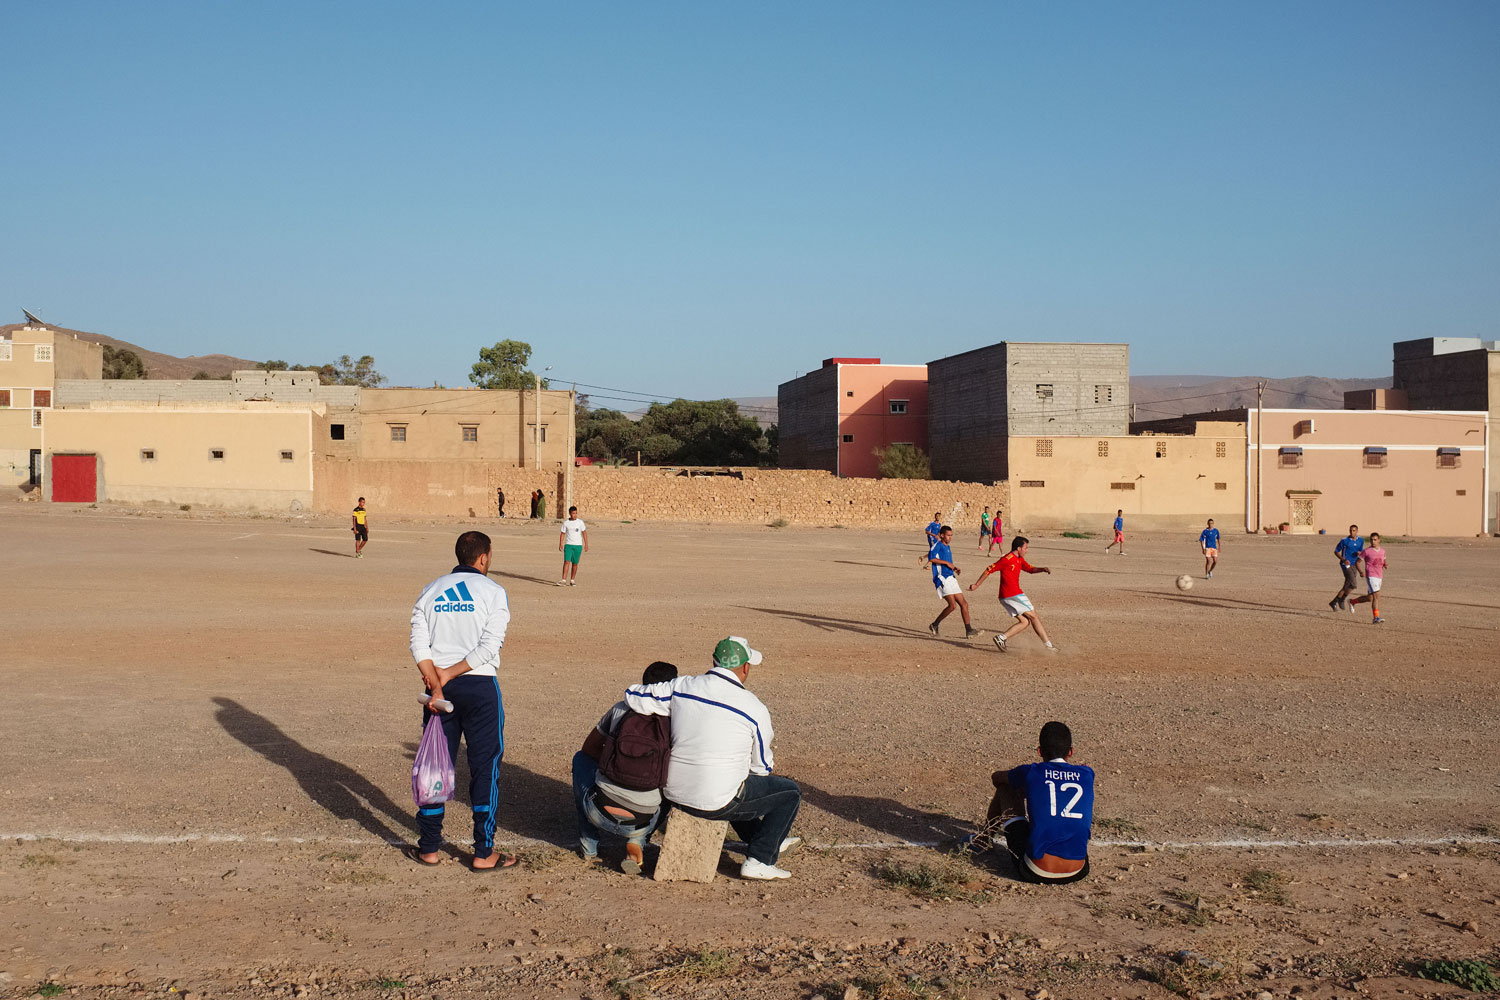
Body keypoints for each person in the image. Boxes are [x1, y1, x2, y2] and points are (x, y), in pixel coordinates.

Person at [623, 636, 803, 881]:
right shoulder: (754, 707)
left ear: (715, 662)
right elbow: (762, 766)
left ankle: (763, 837)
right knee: (788, 793)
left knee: (731, 784)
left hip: (674, 793)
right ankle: (760, 859)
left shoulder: (682, 686)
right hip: (716, 800)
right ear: (745, 668)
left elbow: (633, 694)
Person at [407, 531, 516, 870]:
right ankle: (484, 852)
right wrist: (449, 675)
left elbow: (418, 643)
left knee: (435, 765)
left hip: (439, 692)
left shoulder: (431, 589)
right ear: (484, 557)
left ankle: (429, 847)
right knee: (485, 768)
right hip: (480, 688)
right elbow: (488, 648)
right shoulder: (494, 592)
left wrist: (436, 681)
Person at [572, 661, 679, 874]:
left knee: (580, 760)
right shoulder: (677, 720)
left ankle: (589, 847)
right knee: (672, 780)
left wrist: (616, 765)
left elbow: (589, 749)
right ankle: (637, 842)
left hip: (598, 810)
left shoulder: (621, 709)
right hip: (644, 818)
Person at [962, 721, 1092, 884]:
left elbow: (997, 778)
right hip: (1078, 870)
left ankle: (984, 839)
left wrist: (1026, 789)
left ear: (1039, 751)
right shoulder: (1087, 774)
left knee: (1005, 788)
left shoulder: (1031, 772)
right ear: (1071, 752)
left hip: (1036, 870)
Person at [968, 535, 1055, 652]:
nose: (1027, 550)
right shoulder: (1006, 559)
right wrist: (976, 585)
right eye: (1026, 548)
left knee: (1025, 622)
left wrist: (1042, 569)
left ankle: (1001, 638)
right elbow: (989, 569)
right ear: (1019, 548)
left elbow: (1029, 569)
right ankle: (1049, 647)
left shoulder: (1019, 559)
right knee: (1034, 616)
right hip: (1012, 594)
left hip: (1008, 596)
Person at [928, 525, 979, 639]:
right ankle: (935, 624)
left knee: (964, 604)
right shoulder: (937, 545)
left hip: (951, 577)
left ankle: (969, 630)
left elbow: (948, 561)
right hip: (941, 578)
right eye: (948, 535)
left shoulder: (948, 547)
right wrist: (946, 564)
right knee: (952, 605)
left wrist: (954, 568)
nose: (950, 537)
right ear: (942, 535)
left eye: (951, 535)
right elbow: (931, 558)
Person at [1349, 532, 1387, 624]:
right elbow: (1357, 562)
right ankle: (1376, 618)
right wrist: (1361, 572)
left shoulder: (1382, 550)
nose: (1373, 541)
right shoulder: (1366, 551)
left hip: (1379, 576)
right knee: (1376, 596)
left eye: (1375, 540)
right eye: (1371, 540)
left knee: (1370, 598)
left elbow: (1383, 559)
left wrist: (1385, 564)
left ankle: (1352, 601)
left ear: (1379, 540)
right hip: (1371, 576)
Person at [1329, 524, 1365, 611]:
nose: (1352, 532)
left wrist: (1359, 553)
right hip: (1345, 564)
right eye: (1350, 530)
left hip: (1354, 564)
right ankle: (1341, 599)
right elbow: (1336, 552)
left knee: (1349, 585)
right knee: (1353, 583)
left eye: (1353, 531)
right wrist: (1344, 559)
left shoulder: (1361, 540)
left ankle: (1335, 601)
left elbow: (1360, 551)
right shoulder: (1344, 541)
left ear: (1357, 531)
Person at [558, 505, 588, 586]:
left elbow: (584, 532)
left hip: (578, 546)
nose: (574, 515)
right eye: (573, 513)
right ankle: (563, 580)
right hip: (568, 545)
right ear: (570, 514)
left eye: (576, 513)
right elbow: (562, 533)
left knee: (575, 563)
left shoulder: (580, 522)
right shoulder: (566, 523)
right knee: (567, 562)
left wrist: (586, 544)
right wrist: (560, 543)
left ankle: (572, 580)